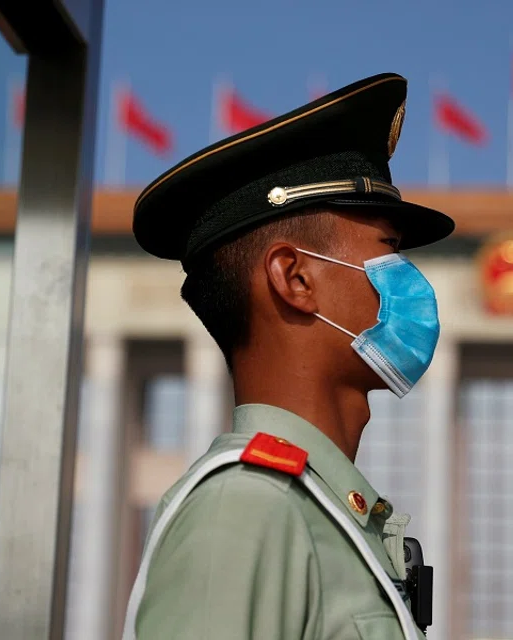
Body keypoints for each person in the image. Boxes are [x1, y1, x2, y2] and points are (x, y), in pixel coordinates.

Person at [122, 72, 455, 640]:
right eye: (388, 252)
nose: (412, 282)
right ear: (294, 278)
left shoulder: (315, 511)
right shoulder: (246, 511)